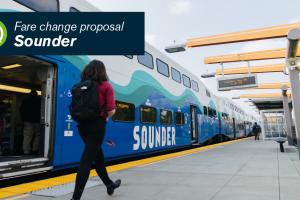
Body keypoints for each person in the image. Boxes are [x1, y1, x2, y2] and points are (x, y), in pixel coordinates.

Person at [71, 60, 121, 200]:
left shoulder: (81, 86)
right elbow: (111, 110)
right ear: (102, 71)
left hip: (82, 126)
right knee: (86, 161)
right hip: (97, 126)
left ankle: (109, 184)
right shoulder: (106, 86)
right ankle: (75, 198)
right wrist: (106, 116)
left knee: (97, 157)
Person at [20, 90, 41, 155]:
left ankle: (26, 150)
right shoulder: (39, 100)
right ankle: (35, 148)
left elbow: (21, 110)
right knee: (38, 134)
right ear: (36, 94)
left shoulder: (25, 100)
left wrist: (23, 119)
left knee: (27, 135)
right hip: (37, 120)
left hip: (27, 120)